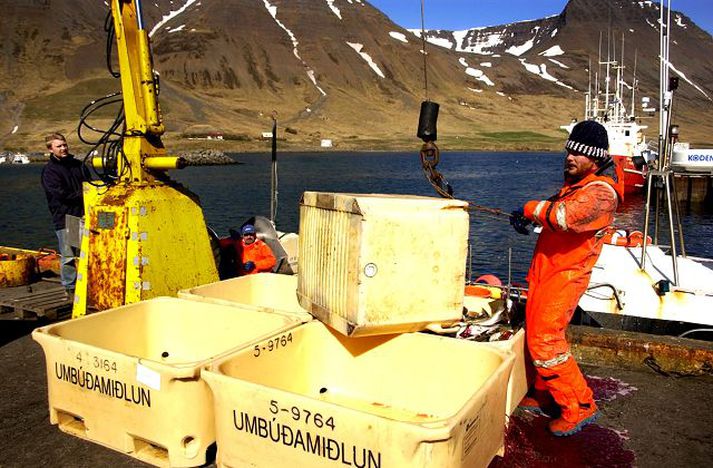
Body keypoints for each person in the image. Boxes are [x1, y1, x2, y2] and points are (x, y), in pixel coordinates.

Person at [510, 120, 623, 436]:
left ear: (596, 158)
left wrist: (530, 209)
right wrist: (528, 219)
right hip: (546, 273)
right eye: (569, 151)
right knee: (535, 334)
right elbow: (556, 214)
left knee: (547, 341)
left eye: (579, 153)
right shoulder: (578, 188)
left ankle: (579, 406)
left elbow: (564, 217)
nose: (570, 157)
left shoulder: (602, 193)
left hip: (565, 278)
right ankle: (545, 393)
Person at [40, 133, 85, 295]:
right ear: (50, 149)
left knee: (91, 251)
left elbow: (90, 183)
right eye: (58, 146)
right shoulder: (50, 171)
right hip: (67, 218)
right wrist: (83, 194)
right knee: (69, 255)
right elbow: (60, 194)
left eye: (64, 145)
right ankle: (70, 287)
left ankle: (90, 281)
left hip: (86, 215)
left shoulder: (78, 165)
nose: (63, 148)